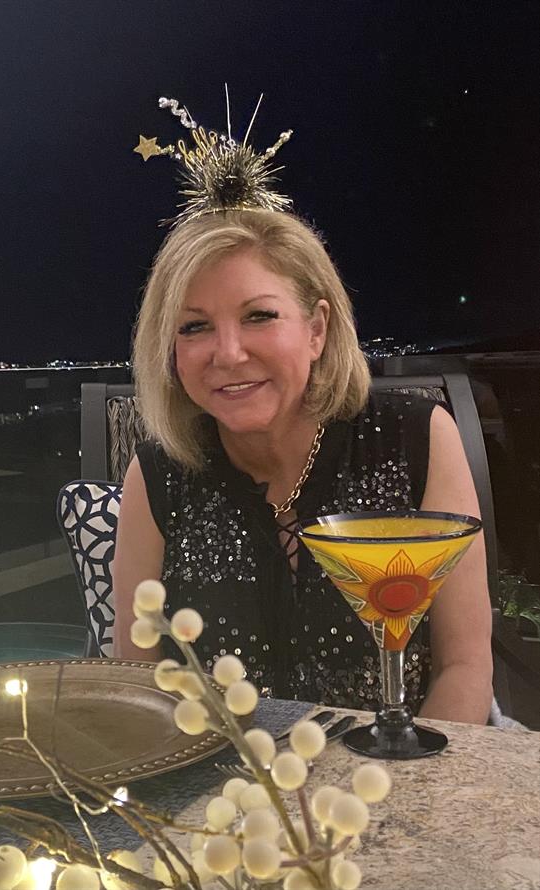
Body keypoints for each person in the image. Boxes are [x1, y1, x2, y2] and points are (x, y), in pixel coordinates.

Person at [115, 93, 492, 723]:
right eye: (194, 327)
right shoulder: (158, 475)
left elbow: (465, 664)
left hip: (401, 779)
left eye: (260, 316)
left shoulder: (415, 437)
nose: (227, 354)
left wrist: (404, 806)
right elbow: (138, 687)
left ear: (316, 329)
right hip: (224, 792)